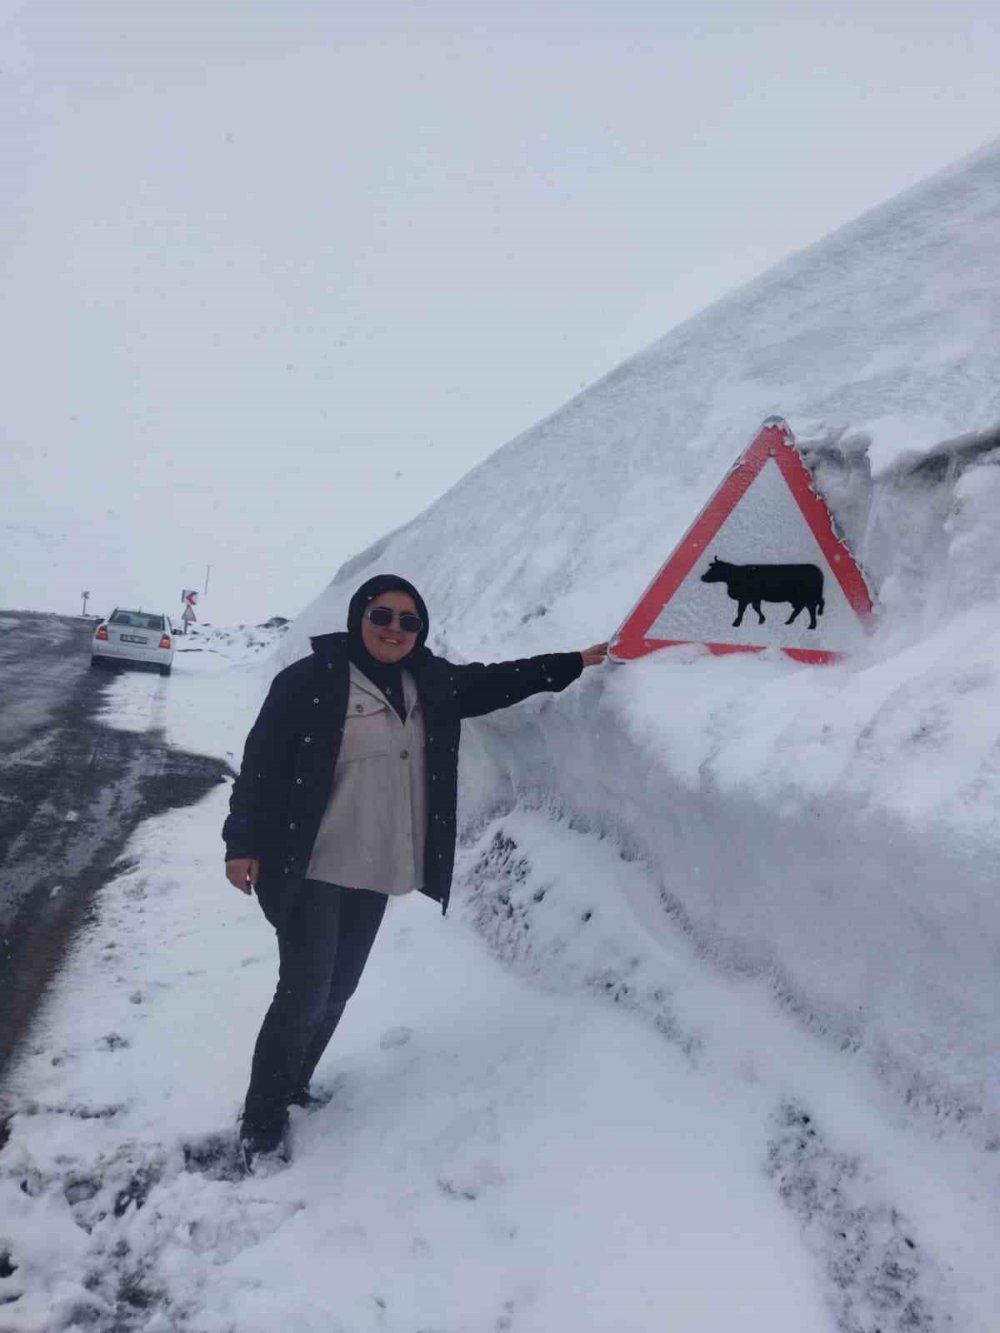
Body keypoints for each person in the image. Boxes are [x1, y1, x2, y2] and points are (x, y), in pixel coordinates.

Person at [224, 574, 607, 1172]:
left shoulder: (428, 682)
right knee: (302, 996)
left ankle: (293, 1086)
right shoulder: (309, 682)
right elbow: (261, 766)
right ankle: (261, 1125)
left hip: (377, 865)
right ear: (359, 616)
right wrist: (241, 842)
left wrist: (574, 662)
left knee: (338, 991)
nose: (395, 630)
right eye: (382, 615)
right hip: (310, 866)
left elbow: (498, 681)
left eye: (409, 621)